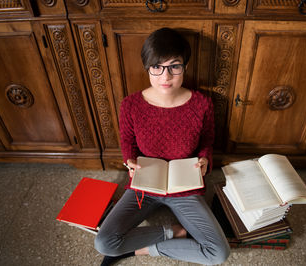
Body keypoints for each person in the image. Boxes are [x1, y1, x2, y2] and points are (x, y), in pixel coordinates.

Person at [94, 27, 230, 265]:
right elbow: (127, 140)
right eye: (157, 67)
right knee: (104, 242)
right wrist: (130, 161)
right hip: (144, 186)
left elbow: (207, 139)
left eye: (174, 67)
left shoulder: (202, 104)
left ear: (185, 67)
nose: (165, 77)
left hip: (184, 188)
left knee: (218, 253)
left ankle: (141, 249)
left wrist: (205, 159)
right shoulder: (131, 104)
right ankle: (174, 232)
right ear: (147, 67)